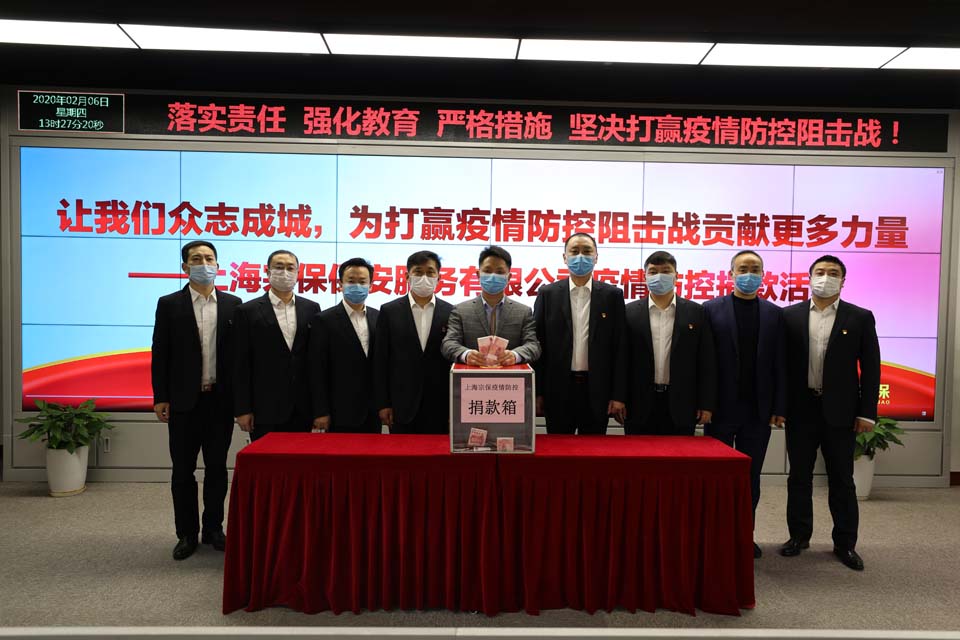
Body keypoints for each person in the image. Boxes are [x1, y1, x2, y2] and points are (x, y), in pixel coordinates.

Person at [780, 255, 880, 571]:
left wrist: (867, 413)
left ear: (843, 281)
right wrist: (779, 407)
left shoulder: (860, 317)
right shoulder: (789, 316)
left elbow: (872, 368)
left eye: (833, 273)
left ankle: (845, 544)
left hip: (841, 412)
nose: (826, 277)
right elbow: (779, 367)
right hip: (800, 409)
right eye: (820, 272)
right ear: (810, 278)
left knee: (842, 479)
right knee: (799, 477)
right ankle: (798, 537)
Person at [151, 240, 241, 560]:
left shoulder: (233, 304)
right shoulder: (169, 304)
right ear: (185, 266)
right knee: (183, 471)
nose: (204, 264)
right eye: (196, 259)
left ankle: (213, 528)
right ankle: (186, 533)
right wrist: (160, 396)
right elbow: (160, 352)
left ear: (218, 265)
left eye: (209, 258)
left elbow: (239, 358)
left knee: (217, 468)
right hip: (183, 402)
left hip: (219, 401)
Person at [703, 250, 786, 559]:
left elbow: (781, 365)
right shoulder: (711, 309)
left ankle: (743, 536)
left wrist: (779, 407)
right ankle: (714, 537)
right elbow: (705, 363)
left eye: (755, 269)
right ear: (731, 274)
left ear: (763, 275)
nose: (748, 274)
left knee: (750, 478)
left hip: (758, 412)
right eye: (743, 269)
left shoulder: (774, 314)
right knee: (717, 479)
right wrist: (705, 403)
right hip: (720, 409)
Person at [532, 232, 627, 434]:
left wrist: (618, 395)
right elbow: (538, 346)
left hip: (598, 391)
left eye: (587, 251)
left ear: (596, 257)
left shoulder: (612, 295)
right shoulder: (547, 294)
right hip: (557, 390)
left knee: (594, 450)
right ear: (565, 257)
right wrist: (537, 392)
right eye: (574, 251)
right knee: (558, 448)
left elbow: (620, 349)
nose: (580, 256)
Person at [623, 250, 716, 435]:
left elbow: (706, 361)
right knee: (638, 454)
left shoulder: (697, 312)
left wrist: (706, 404)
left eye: (666, 271)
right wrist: (619, 398)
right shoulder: (629, 312)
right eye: (653, 272)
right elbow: (622, 360)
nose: (659, 276)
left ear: (676, 276)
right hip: (638, 404)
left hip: (682, 404)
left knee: (680, 454)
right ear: (645, 276)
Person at [233, 250, 319, 441]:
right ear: (267, 271)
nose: (285, 272)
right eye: (279, 267)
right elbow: (240, 363)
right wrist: (243, 408)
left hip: (302, 408)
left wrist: (318, 409)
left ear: (298, 272)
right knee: (266, 459)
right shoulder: (247, 311)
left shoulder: (311, 308)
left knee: (301, 458)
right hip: (264, 408)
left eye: (290, 268)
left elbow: (314, 360)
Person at [373, 250, 453, 434]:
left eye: (430, 272)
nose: (424, 277)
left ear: (439, 277)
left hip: (440, 404)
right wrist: (383, 403)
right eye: (418, 272)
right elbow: (381, 360)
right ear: (407, 276)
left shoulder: (451, 312)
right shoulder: (389, 311)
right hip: (401, 404)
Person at [309, 258, 381, 434]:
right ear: (340, 284)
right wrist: (321, 411)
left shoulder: (379, 317)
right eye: (351, 281)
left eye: (362, 281)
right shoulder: (324, 320)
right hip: (339, 410)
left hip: (372, 411)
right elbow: (317, 369)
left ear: (371, 285)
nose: (357, 286)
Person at [441, 245, 541, 366]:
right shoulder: (460, 310)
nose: (493, 276)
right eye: (487, 271)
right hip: (471, 376)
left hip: (511, 376)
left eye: (499, 272)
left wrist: (515, 355)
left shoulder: (523, 312)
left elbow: (533, 345)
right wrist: (466, 354)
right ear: (478, 274)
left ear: (509, 277)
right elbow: (448, 343)